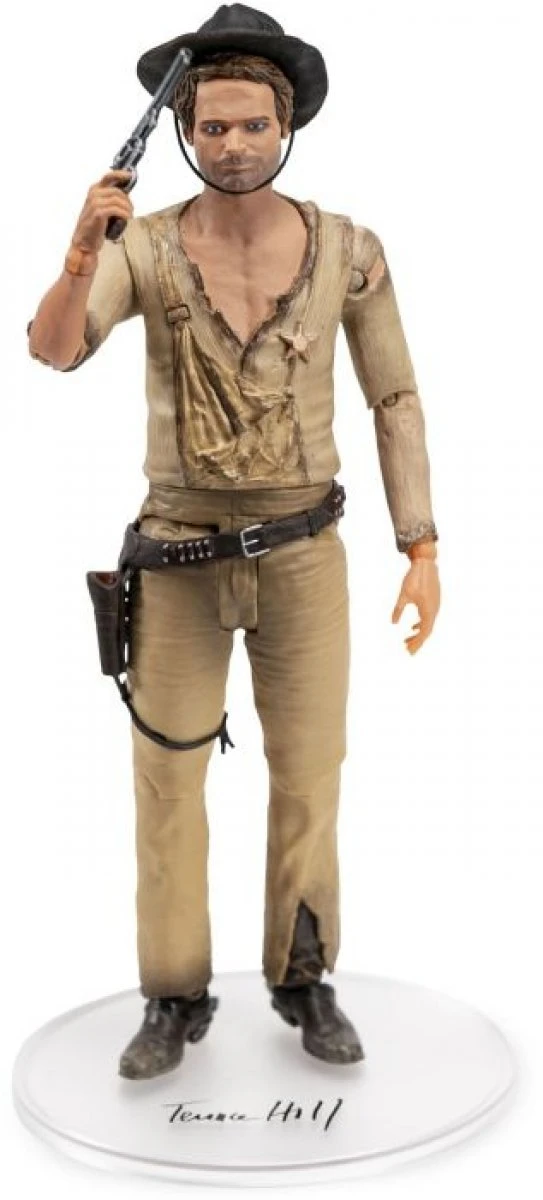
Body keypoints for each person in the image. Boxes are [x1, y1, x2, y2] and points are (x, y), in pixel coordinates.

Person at [27, 4, 440, 1080]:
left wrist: (421, 546)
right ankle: (172, 991)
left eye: (254, 124)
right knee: (165, 779)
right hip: (178, 552)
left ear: (286, 124)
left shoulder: (349, 249)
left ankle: (302, 974)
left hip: (305, 549)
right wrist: (78, 254)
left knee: (309, 772)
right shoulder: (146, 247)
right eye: (212, 127)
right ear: (184, 131)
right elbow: (55, 351)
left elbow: (393, 394)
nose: (234, 146)